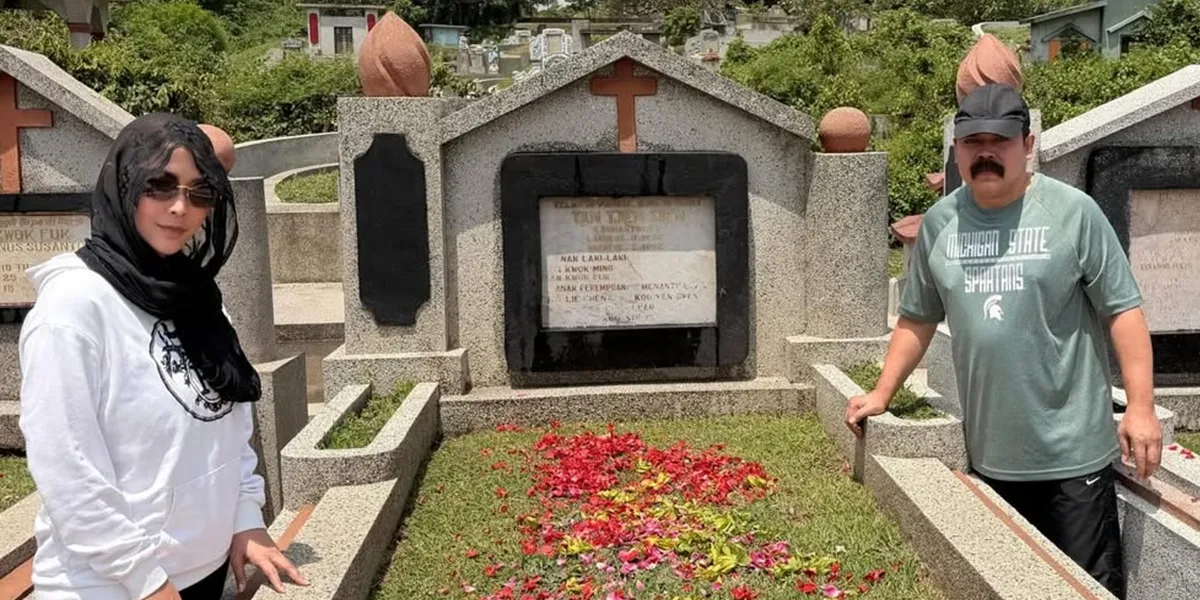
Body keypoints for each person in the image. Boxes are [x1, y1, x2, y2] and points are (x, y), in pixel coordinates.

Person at [844, 84, 1160, 599]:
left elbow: (1122, 311)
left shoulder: (1072, 213)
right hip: (991, 454)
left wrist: (1141, 408)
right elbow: (917, 318)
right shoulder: (941, 224)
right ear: (957, 150)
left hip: (1072, 458)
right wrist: (882, 393)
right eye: (973, 143)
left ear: (1027, 145)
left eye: (1000, 141)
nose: (985, 153)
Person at [18, 113, 308, 599]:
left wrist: (245, 518)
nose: (180, 207)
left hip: (204, 569)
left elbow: (229, 421)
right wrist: (145, 580)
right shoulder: (72, 309)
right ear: (124, 184)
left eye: (200, 192)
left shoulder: (195, 295)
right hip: (111, 585)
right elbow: (67, 470)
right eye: (160, 185)